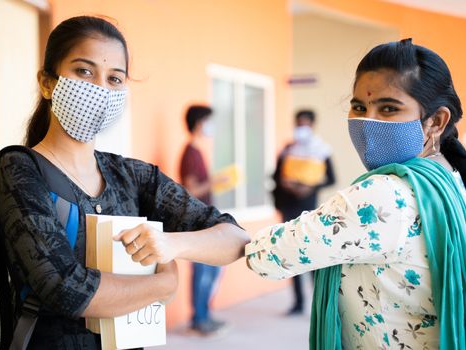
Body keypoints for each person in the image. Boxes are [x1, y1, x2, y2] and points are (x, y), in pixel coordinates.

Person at [0, 16, 248, 349]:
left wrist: (173, 245)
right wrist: (163, 284)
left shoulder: (131, 175)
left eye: (115, 79)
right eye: (84, 71)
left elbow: (235, 238)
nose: (100, 89)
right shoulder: (20, 169)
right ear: (47, 83)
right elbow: (66, 290)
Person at [246, 39, 466, 349]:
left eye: (388, 108)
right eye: (359, 107)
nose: (367, 122)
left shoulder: (384, 193)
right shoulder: (451, 178)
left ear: (436, 121)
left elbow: (265, 255)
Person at [272, 109, 335, 315]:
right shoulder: (288, 150)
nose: (301, 128)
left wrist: (311, 186)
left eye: (305, 124)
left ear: (313, 125)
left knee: (312, 254)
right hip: (289, 208)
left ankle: (320, 302)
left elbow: (331, 178)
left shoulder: (322, 150)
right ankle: (298, 303)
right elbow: (275, 176)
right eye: (298, 124)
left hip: (308, 209)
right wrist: (285, 183)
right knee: (291, 255)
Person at [179, 105, 227, 336]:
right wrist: (216, 181)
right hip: (197, 221)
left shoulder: (196, 151)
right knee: (202, 272)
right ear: (199, 123)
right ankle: (199, 319)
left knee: (210, 271)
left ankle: (204, 316)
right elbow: (191, 189)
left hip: (205, 219)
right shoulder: (190, 152)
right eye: (209, 121)